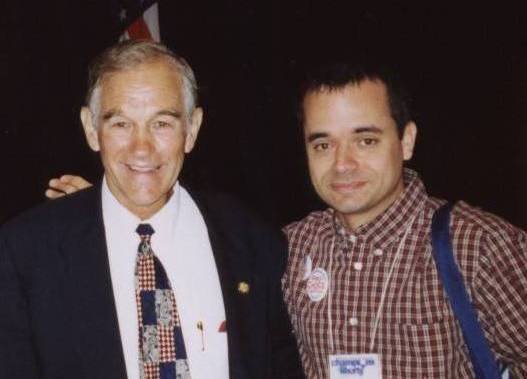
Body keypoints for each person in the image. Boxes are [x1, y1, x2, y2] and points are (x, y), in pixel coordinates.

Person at [0, 40, 303, 379]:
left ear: (191, 129)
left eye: (162, 123)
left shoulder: (253, 240)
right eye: (121, 124)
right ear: (91, 129)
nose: (141, 148)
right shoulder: (25, 255)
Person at [281, 63, 527, 378]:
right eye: (323, 145)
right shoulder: (289, 250)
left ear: (406, 141)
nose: (342, 164)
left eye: (366, 140)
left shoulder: (477, 246)